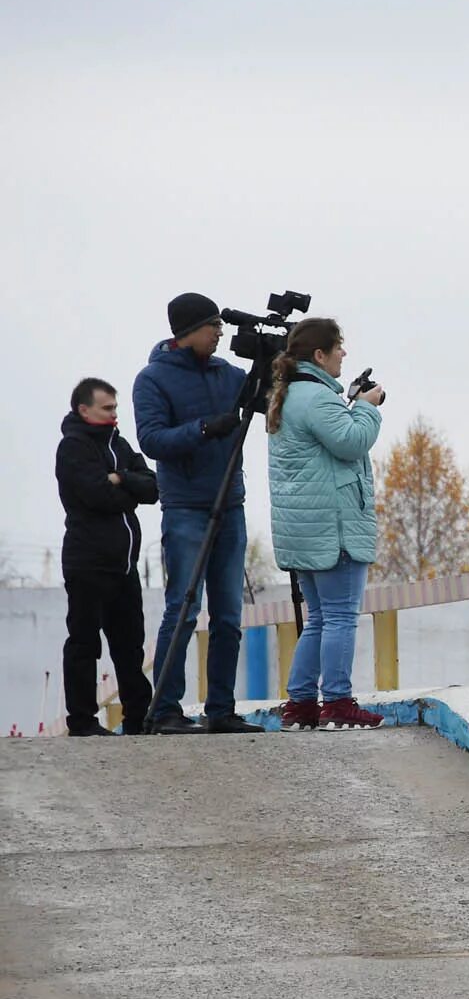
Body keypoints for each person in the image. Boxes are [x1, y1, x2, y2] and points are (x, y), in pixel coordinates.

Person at [132, 292, 260, 733]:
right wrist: (204, 429)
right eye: (213, 327)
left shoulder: (230, 375)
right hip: (186, 506)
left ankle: (220, 710)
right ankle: (167, 708)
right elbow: (151, 440)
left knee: (229, 614)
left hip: (231, 505)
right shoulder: (152, 379)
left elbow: (270, 396)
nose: (221, 334)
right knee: (183, 609)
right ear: (188, 332)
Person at [266, 318, 387, 731]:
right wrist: (368, 406)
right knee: (339, 618)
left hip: (305, 529)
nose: (344, 354)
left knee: (319, 619)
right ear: (319, 355)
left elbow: (331, 440)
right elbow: (352, 441)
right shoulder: (318, 399)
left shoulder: (290, 396)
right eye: (338, 347)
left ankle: (300, 705)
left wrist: (352, 405)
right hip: (332, 529)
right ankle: (337, 702)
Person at [56, 378, 158, 736]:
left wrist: (121, 477)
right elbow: (98, 496)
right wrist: (123, 487)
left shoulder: (119, 444)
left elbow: (151, 486)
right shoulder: (73, 448)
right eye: (107, 408)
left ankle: (138, 719)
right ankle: (83, 722)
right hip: (88, 563)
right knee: (85, 642)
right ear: (85, 410)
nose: (115, 414)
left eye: (115, 407)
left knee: (129, 646)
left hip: (124, 566)